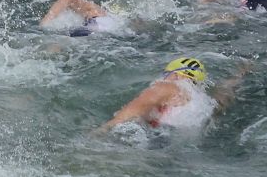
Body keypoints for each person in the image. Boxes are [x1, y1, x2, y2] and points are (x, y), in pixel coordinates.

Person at [99, 57, 246, 133]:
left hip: (155, 141)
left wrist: (102, 130)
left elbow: (129, 113)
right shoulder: (206, 101)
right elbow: (226, 91)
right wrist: (241, 72)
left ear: (175, 75)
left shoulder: (168, 87)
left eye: (166, 74)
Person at [40, 0, 128, 36]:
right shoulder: (118, 20)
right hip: (113, 33)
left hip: (94, 26)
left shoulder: (94, 9)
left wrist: (44, 23)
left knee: (61, 39)